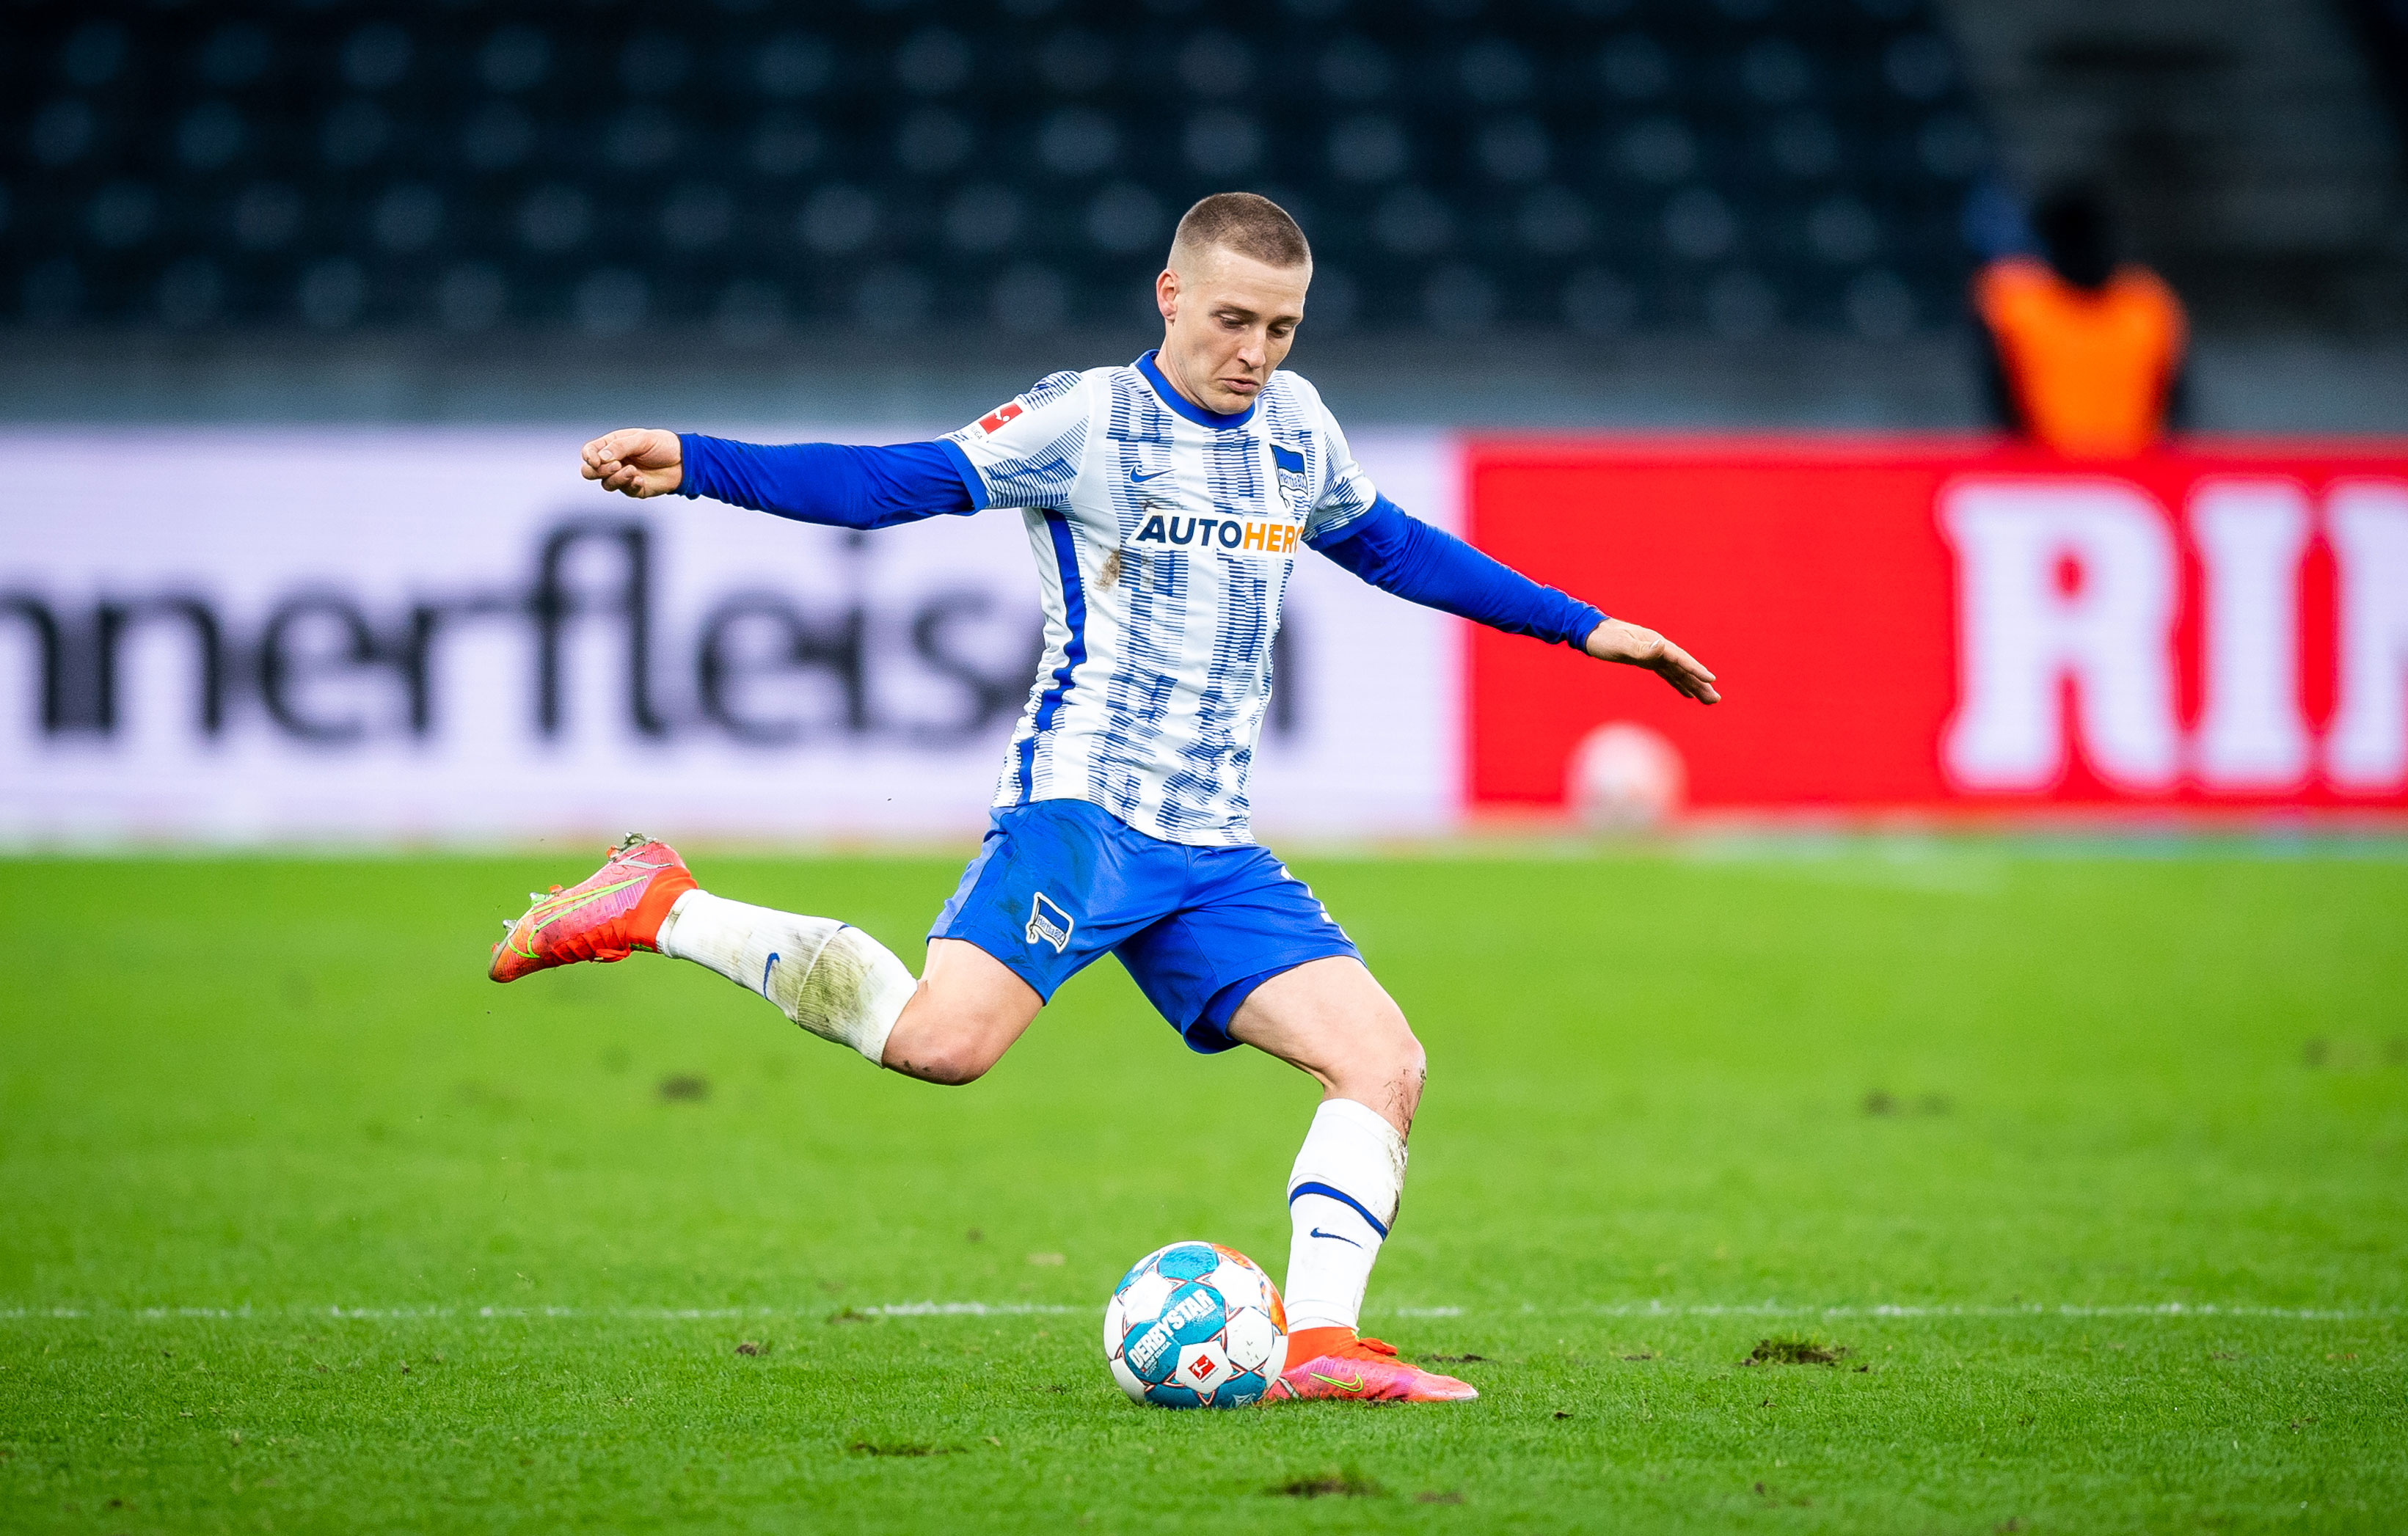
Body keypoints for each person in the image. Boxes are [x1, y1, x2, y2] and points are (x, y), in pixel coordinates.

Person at [489, 192, 1718, 1405]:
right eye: (1233, 319)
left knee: (1381, 1060)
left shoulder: (1296, 425)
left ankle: (1324, 1344)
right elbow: (891, 482)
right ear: (1169, 294)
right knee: (940, 1043)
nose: (1255, 352)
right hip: (1080, 812)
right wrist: (700, 462)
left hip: (1212, 847)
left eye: (1282, 327)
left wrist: (1585, 626)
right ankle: (659, 901)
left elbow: (1388, 542)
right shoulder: (1087, 418)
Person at [1973, 184, 2189, 456]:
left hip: (2132, 466)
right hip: (2045, 466)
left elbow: (2175, 401)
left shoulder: (2147, 304)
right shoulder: (2013, 301)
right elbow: (2002, 397)